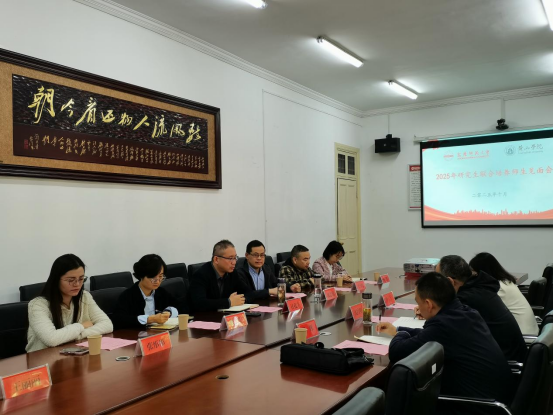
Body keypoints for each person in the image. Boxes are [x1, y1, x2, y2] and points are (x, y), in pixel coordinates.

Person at [377, 272, 514, 415]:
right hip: (499, 401)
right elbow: (428, 335)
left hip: (478, 408)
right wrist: (398, 329)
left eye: (418, 302)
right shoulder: (466, 313)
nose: (418, 307)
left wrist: (401, 335)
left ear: (428, 304)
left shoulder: (442, 327)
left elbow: (397, 352)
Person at [437, 255, 527, 363]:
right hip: (510, 355)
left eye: (437, 280)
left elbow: (444, 329)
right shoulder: (481, 287)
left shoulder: (467, 298)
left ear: (450, 282)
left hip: (504, 361)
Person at [26, 254, 113, 353]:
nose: (77, 284)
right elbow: (52, 339)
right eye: (71, 280)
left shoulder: (84, 297)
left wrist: (77, 335)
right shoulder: (37, 305)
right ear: (56, 280)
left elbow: (107, 325)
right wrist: (81, 326)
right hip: (42, 358)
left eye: (81, 279)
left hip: (73, 354)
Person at [469, 252, 538, 335]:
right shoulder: (506, 282)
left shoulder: (498, 288)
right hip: (530, 331)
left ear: (481, 271)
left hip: (523, 335)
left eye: (473, 271)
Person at [189, 240, 269, 312]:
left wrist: (239, 300)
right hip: (204, 319)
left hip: (225, 316)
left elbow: (249, 293)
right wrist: (229, 302)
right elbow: (199, 303)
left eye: (235, 258)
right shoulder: (201, 275)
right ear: (216, 259)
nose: (234, 262)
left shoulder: (232, 273)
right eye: (230, 258)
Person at [112, 254, 179, 330]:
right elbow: (118, 320)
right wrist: (149, 319)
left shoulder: (161, 293)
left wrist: (169, 312)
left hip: (159, 333)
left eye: (160, 276)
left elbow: (181, 307)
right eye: (153, 277)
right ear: (141, 276)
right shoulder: (128, 296)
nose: (157, 281)